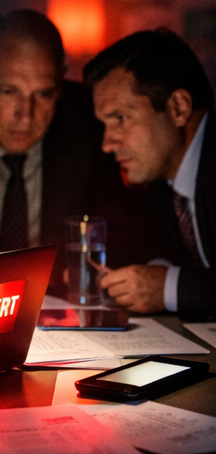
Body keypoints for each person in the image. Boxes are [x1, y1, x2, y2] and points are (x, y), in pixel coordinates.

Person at [0, 9, 135, 287]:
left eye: (43, 94)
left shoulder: (90, 123)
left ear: (61, 84)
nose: (26, 115)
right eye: (8, 92)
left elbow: (123, 236)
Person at [84, 29, 215, 320]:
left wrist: (168, 287)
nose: (108, 144)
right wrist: (150, 278)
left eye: (122, 118)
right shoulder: (162, 180)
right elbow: (163, 250)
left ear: (178, 108)